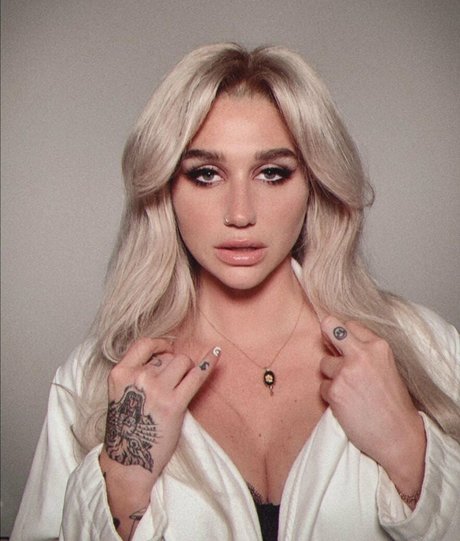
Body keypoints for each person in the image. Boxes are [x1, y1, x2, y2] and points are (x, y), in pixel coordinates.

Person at [11, 43, 460, 541]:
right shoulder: (96, 380)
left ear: (314, 183)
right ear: (166, 188)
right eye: (206, 174)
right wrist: (122, 481)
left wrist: (408, 449)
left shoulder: (421, 346)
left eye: (272, 173)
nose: (240, 213)